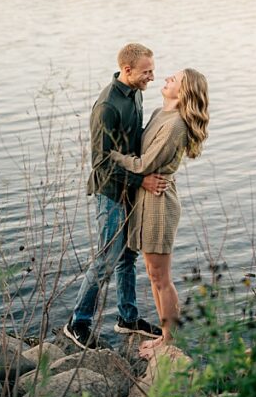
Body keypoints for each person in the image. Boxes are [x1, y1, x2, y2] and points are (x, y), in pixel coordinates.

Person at [63, 43, 169, 350]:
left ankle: (127, 317)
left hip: (131, 189)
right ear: (128, 70)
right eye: (147, 71)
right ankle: (78, 322)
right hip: (110, 192)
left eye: (152, 69)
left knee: (128, 256)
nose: (152, 76)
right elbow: (102, 163)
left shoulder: (135, 93)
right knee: (107, 258)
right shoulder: (107, 107)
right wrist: (143, 179)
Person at [110, 68, 210, 357]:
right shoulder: (158, 114)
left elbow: (143, 164)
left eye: (173, 80)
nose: (166, 79)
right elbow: (139, 149)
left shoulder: (176, 126)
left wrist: (108, 155)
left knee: (160, 276)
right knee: (155, 274)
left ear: (183, 92)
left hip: (159, 204)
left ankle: (168, 340)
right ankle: (166, 335)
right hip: (146, 198)